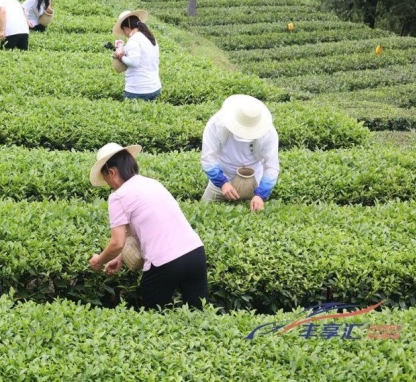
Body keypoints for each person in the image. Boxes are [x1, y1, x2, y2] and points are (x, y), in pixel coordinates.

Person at [88, 143, 208, 310]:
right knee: (198, 314)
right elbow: (143, 228)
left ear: (112, 172)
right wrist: (119, 257)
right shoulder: (152, 183)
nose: (109, 185)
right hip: (195, 253)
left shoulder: (118, 197)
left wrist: (99, 261)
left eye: (106, 179)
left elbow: (117, 242)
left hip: (164, 263)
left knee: (153, 320)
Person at [200, 94, 279, 213]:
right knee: (203, 212)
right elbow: (208, 158)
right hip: (220, 181)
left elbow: (271, 167)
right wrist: (223, 183)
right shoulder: (216, 124)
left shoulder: (268, 133)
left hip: (253, 183)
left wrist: (260, 194)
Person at [112, 10, 161, 101]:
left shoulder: (134, 40)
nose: (125, 34)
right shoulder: (150, 37)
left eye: (123, 30)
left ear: (126, 27)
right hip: (154, 87)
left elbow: (134, 62)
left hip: (138, 90)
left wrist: (121, 56)